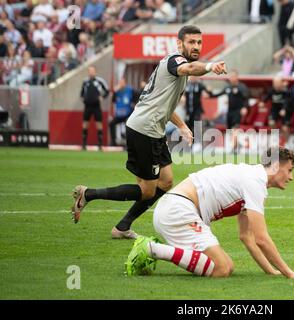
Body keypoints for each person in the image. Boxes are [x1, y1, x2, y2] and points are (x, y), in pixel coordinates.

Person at [71, 25, 228, 239]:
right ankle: (88, 194)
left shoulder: (176, 67)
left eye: (199, 43)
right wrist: (210, 65)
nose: (196, 46)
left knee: (166, 181)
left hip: (150, 128)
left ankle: (122, 227)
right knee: (147, 190)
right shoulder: (176, 61)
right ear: (179, 43)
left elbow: (164, 104)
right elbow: (190, 69)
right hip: (145, 130)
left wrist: (181, 125)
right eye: (191, 42)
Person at [124, 146, 294, 281]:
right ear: (276, 166)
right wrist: (289, 273)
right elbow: (261, 238)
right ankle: (150, 249)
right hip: (178, 211)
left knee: (226, 267)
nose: (291, 177)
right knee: (221, 268)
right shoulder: (255, 182)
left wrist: (272, 271)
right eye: (290, 170)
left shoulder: (253, 179)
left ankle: (152, 249)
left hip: (177, 210)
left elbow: (247, 237)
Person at [80, 66, 110, 150]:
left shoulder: (100, 81)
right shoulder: (85, 81)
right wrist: (83, 98)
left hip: (96, 106)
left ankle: (100, 145)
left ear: (95, 72)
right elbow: (81, 93)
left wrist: (102, 97)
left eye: (92, 71)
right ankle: (84, 144)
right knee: (85, 124)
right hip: (87, 106)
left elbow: (107, 91)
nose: (91, 72)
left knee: (99, 124)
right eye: (89, 71)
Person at [109, 77, 139, 146]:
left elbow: (137, 96)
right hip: (119, 115)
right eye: (120, 83)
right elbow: (113, 101)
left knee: (128, 125)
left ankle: (128, 144)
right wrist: (114, 92)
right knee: (111, 124)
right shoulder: (117, 92)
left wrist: (134, 104)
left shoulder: (130, 90)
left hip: (128, 114)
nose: (121, 84)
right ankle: (113, 142)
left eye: (122, 82)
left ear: (125, 83)